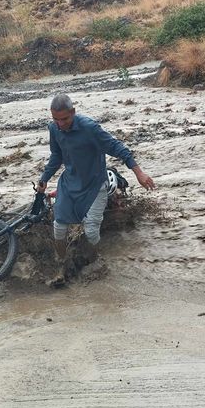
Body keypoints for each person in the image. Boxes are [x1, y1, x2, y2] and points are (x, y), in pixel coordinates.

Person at [37, 93, 155, 286]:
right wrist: (44, 178)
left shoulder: (89, 128)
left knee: (91, 230)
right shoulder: (54, 129)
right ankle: (62, 263)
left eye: (65, 119)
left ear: (73, 112)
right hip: (69, 185)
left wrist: (139, 174)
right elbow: (56, 156)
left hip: (95, 185)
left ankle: (93, 260)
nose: (61, 124)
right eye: (56, 120)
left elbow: (118, 148)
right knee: (59, 227)